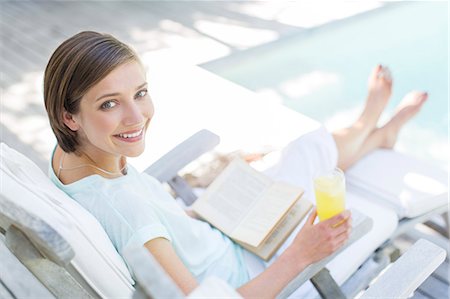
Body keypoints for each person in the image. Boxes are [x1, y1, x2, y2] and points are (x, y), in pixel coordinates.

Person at [44, 31, 427, 297]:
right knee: (310, 150)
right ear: (69, 116)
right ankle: (374, 127)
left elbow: (149, 214)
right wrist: (302, 253)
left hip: (224, 234)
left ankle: (377, 131)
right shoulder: (125, 214)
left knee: (302, 152)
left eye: (140, 93)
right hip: (255, 272)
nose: (136, 117)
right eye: (109, 103)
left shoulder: (73, 160)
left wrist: (200, 211)